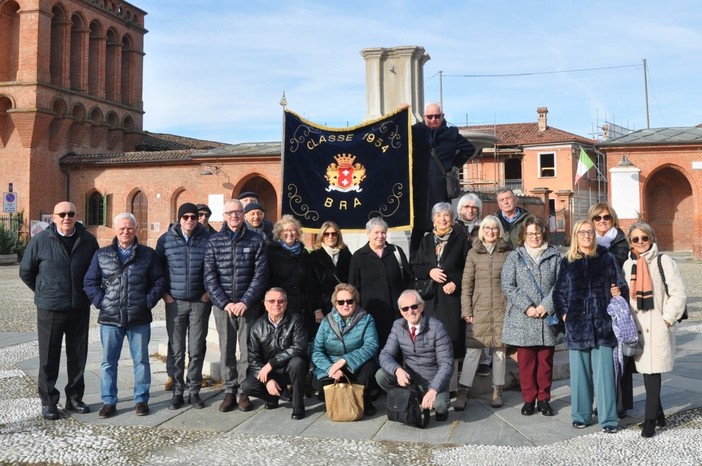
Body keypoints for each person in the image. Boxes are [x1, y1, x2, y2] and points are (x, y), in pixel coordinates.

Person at [19, 201, 99, 420]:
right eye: (62, 214)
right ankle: (49, 402)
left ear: (76, 216)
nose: (66, 217)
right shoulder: (40, 241)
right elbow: (26, 272)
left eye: (71, 213)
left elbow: (97, 271)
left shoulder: (88, 241)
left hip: (79, 307)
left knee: (78, 355)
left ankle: (74, 398)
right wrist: (44, 291)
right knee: (48, 356)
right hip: (50, 308)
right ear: (53, 218)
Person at [83, 213, 165, 418]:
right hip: (110, 318)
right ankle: (109, 401)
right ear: (115, 230)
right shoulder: (101, 255)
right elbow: (89, 282)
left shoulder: (148, 254)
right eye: (122, 228)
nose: (126, 231)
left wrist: (147, 302)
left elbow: (159, 281)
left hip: (138, 317)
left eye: (130, 228)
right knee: (108, 362)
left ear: (136, 230)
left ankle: (141, 400)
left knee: (141, 361)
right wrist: (101, 302)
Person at [553, 220, 628, 434]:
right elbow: (558, 292)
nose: (586, 235)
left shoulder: (607, 258)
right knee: (579, 375)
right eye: (582, 232)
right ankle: (581, 415)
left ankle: (609, 418)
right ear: (576, 236)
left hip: (603, 324)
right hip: (577, 326)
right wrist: (565, 315)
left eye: (589, 232)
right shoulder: (567, 261)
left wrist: (618, 293)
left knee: (604, 375)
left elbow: (621, 286)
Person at [623, 222, 687, 438]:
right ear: (630, 242)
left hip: (657, 325)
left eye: (644, 238)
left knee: (653, 372)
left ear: (651, 238)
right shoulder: (628, 265)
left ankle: (650, 420)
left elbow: (678, 292)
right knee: (646, 370)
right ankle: (658, 413)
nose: (640, 243)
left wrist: (667, 319)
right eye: (635, 239)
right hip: (638, 327)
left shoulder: (663, 261)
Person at [204, 198, 268, 413]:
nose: (234, 216)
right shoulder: (214, 241)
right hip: (224, 307)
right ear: (224, 216)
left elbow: (260, 275)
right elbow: (210, 276)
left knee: (247, 352)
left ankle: (244, 392)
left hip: (247, 306)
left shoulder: (255, 240)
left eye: (238, 212)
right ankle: (229, 391)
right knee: (226, 350)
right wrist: (225, 303)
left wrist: (245, 301)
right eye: (230, 213)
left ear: (243, 215)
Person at [500, 216, 561, 416]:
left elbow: (560, 284)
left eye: (537, 232)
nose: (534, 236)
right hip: (523, 317)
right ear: (523, 235)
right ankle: (528, 399)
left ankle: (543, 399)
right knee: (526, 364)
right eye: (530, 233)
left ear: (543, 233)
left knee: (545, 363)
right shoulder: (514, 257)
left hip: (546, 317)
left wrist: (547, 305)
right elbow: (508, 285)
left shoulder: (554, 255)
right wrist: (527, 307)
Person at [155, 203, 212, 410]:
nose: (190, 220)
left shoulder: (207, 239)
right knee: (177, 349)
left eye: (193, 217)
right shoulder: (165, 240)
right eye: (185, 216)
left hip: (199, 302)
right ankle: (178, 391)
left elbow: (212, 268)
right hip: (175, 303)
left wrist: (208, 294)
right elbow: (157, 269)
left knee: (196, 349)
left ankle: (194, 390)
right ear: (179, 218)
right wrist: (164, 294)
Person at [410, 102, 478, 258]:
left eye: (437, 116)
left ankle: (442, 261)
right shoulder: (415, 131)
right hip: (419, 188)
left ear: (442, 116)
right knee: (418, 228)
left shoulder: (451, 133)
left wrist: (453, 165)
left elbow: (469, 148)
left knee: (441, 224)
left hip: (439, 187)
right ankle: (414, 266)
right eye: (430, 116)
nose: (433, 119)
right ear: (424, 117)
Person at [457, 215, 510, 410]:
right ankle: (463, 390)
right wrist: (466, 310)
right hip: (478, 309)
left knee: (499, 351)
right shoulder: (473, 253)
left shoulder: (507, 252)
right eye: (487, 228)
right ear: (481, 230)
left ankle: (497, 389)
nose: (490, 231)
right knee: (473, 350)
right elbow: (466, 284)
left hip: (501, 308)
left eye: (494, 228)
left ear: (499, 231)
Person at [375, 289, 454, 422]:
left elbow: (447, 364)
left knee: (441, 405)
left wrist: (434, 389)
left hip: (432, 378)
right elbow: (385, 354)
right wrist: (398, 370)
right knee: (380, 375)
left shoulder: (437, 328)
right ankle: (409, 398)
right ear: (401, 311)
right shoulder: (397, 325)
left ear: (422, 306)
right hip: (410, 377)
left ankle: (431, 401)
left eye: (414, 306)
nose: (410, 311)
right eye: (405, 308)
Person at [411, 202, 468, 382]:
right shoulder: (426, 241)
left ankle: (450, 385)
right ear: (433, 220)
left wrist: (456, 282)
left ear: (451, 219)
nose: (442, 219)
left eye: (446, 216)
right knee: (429, 339)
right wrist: (430, 271)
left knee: (451, 340)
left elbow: (468, 268)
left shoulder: (460, 240)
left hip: (450, 298)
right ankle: (430, 380)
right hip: (429, 299)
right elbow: (415, 267)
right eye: (439, 216)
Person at [587, 202, 632, 418]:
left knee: (619, 355)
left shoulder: (621, 242)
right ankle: (600, 401)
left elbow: (620, 270)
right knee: (599, 357)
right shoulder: (586, 240)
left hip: (616, 302)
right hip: (594, 304)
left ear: (612, 219)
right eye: (597, 218)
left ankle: (620, 403)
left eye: (606, 217)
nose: (602, 221)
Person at [311, 283, 379, 416]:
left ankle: (363, 399)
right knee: (317, 383)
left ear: (356, 302)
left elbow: (371, 345)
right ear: (335, 303)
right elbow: (316, 350)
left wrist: (344, 361)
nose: (345, 305)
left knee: (367, 373)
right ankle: (337, 398)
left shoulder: (366, 319)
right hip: (332, 362)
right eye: (341, 302)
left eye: (349, 301)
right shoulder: (326, 322)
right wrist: (330, 368)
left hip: (356, 363)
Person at [240, 288, 309, 420]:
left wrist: (272, 363)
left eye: (280, 301)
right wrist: (267, 382)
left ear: (286, 303)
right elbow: (253, 358)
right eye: (271, 301)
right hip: (270, 372)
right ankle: (274, 396)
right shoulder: (257, 326)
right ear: (265, 304)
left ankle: (298, 405)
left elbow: (299, 347)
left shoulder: (295, 320)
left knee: (297, 362)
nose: (276, 304)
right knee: (247, 386)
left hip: (290, 369)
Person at [349, 217, 413, 347]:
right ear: (368, 234)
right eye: (376, 232)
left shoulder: (396, 251)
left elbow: (409, 279)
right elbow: (353, 287)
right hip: (371, 314)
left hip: (396, 313)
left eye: (383, 232)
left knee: (397, 348)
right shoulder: (359, 256)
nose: (380, 236)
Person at [454, 193, 492, 377]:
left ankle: (485, 359)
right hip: (458, 278)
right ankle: (462, 357)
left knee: (482, 319)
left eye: (474, 207)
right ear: (460, 209)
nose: (470, 210)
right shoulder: (453, 227)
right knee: (462, 319)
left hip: (480, 278)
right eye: (466, 207)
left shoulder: (484, 227)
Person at [267, 215, 318, 336]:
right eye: (285, 230)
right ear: (279, 233)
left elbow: (311, 283)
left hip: (301, 305)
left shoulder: (304, 253)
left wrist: (317, 308)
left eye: (293, 230)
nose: (289, 233)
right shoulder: (271, 253)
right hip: (280, 303)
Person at [309, 221, 352, 324]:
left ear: (338, 235)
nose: (330, 236)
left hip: (344, 304)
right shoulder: (314, 256)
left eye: (334, 234)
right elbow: (311, 286)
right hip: (324, 307)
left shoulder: (346, 254)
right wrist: (317, 309)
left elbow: (351, 280)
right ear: (321, 236)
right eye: (326, 234)